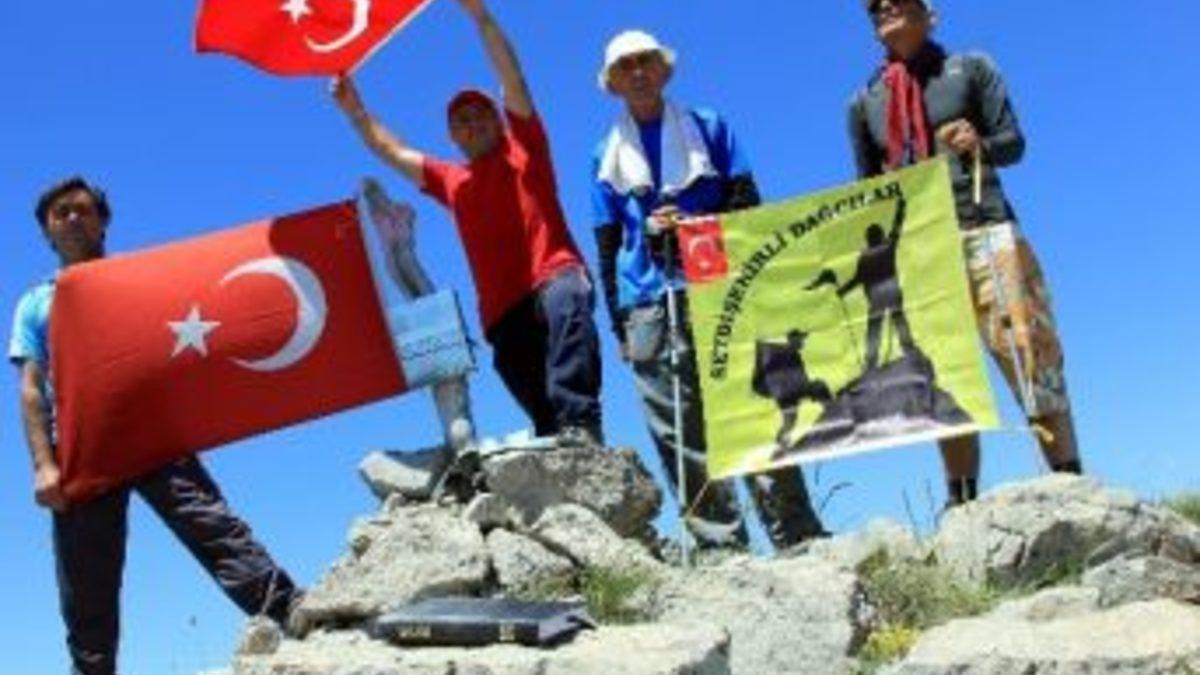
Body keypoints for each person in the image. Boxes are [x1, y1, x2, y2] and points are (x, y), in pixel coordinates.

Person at [10, 177, 303, 675]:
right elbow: (32, 387)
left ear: (103, 221)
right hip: (82, 446)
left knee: (212, 525)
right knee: (85, 579)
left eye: (83, 209)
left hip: (153, 432)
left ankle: (291, 611)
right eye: (61, 213)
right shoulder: (36, 302)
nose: (73, 218)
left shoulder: (142, 279)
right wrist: (43, 465)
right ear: (47, 231)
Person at [591, 29, 827, 550]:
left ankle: (797, 535)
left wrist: (699, 226)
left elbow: (749, 205)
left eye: (646, 61)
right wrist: (619, 326)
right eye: (625, 66)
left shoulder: (709, 127)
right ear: (613, 83)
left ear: (663, 69)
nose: (637, 73)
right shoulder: (603, 156)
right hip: (647, 300)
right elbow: (608, 245)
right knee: (679, 431)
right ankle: (721, 546)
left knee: (756, 407)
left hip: (722, 286)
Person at [331, 0, 603, 444]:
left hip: (554, 276)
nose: (472, 123)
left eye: (481, 114)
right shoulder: (451, 181)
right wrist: (356, 112)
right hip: (502, 310)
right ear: (453, 136)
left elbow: (513, 80)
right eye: (461, 120)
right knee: (539, 407)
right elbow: (391, 151)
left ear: (500, 122)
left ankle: (583, 424)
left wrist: (480, 16)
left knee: (566, 307)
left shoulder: (526, 150)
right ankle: (560, 444)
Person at [847, 0, 1083, 506]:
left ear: (928, 13)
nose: (884, 8)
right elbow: (865, 191)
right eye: (874, 7)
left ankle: (1073, 486)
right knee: (942, 378)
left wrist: (979, 142)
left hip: (987, 228)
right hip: (920, 248)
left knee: (1030, 354)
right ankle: (962, 506)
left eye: (895, 1)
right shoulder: (864, 101)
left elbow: (1013, 143)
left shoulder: (971, 67)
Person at [836, 196, 916, 370]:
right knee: (898, 322)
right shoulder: (887, 246)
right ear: (879, 235)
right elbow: (897, 226)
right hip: (891, 293)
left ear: (868, 238)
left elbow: (857, 279)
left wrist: (843, 290)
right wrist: (901, 208)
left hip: (877, 297)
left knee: (876, 328)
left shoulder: (866, 256)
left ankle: (872, 361)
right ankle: (908, 350)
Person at [752, 330, 833, 449]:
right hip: (777, 377)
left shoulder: (795, 384)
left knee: (796, 398)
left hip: (778, 379)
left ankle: (783, 439)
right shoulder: (796, 382)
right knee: (795, 400)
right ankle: (783, 439)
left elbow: (790, 417)